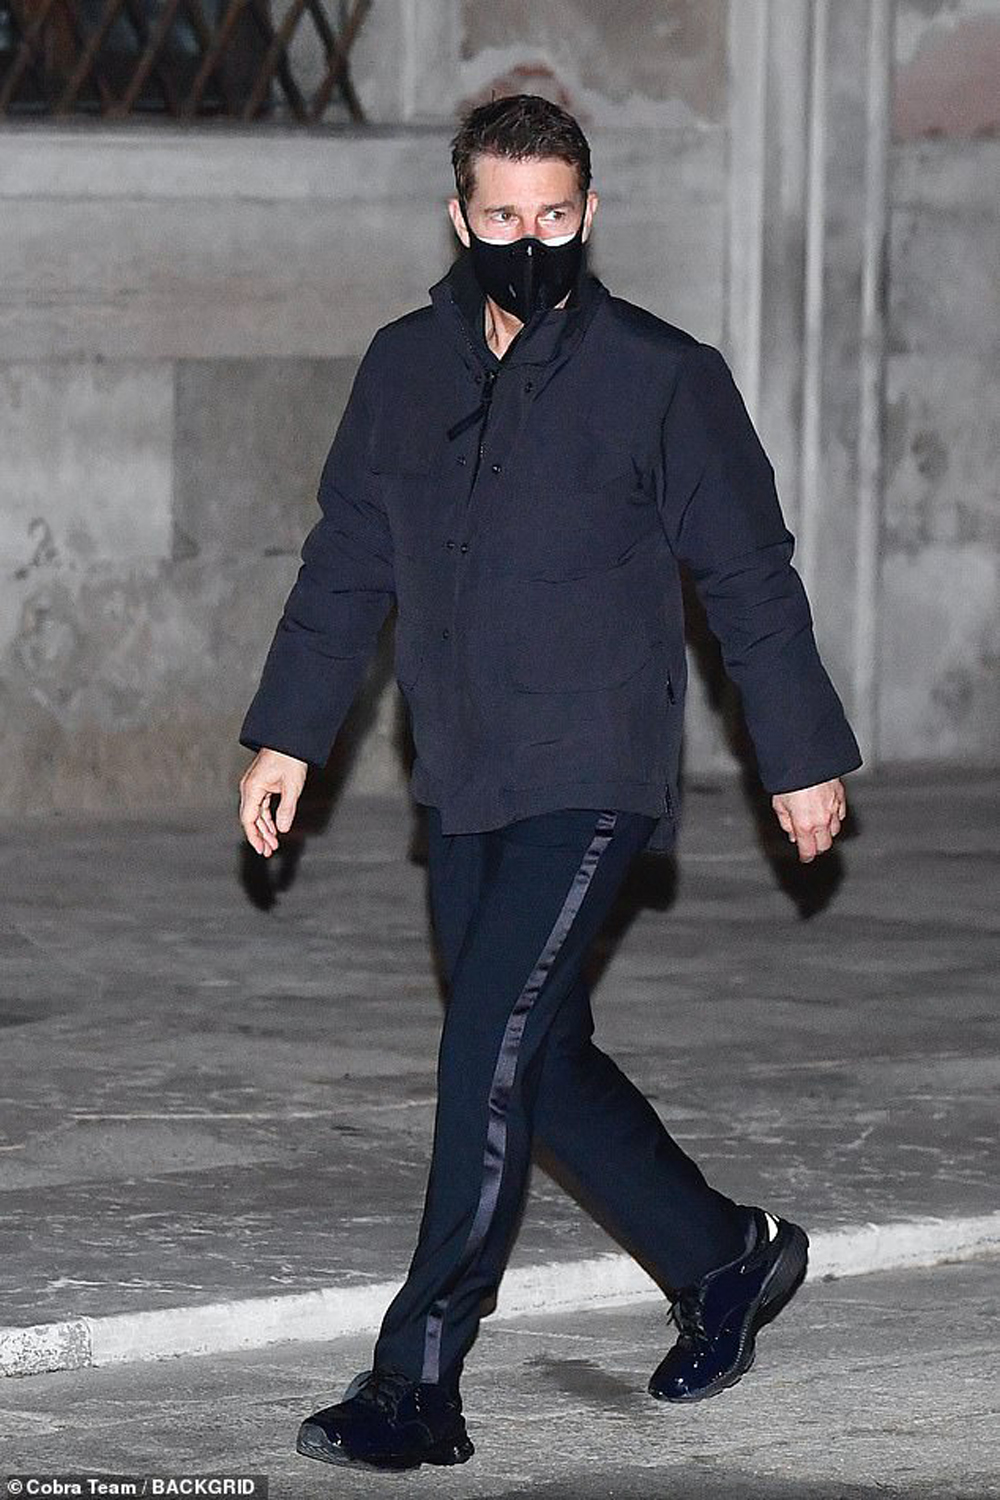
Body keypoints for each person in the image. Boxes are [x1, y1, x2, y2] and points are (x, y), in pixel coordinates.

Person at [237, 93, 862, 1474]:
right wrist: (290, 734)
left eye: (556, 215)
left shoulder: (662, 375)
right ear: (459, 218)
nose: (531, 239)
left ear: (591, 213)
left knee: (484, 1048)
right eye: (504, 216)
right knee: (539, 1055)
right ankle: (727, 1258)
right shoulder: (404, 366)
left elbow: (749, 575)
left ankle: (418, 1380)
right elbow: (347, 558)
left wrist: (800, 753)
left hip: (594, 766)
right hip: (463, 767)